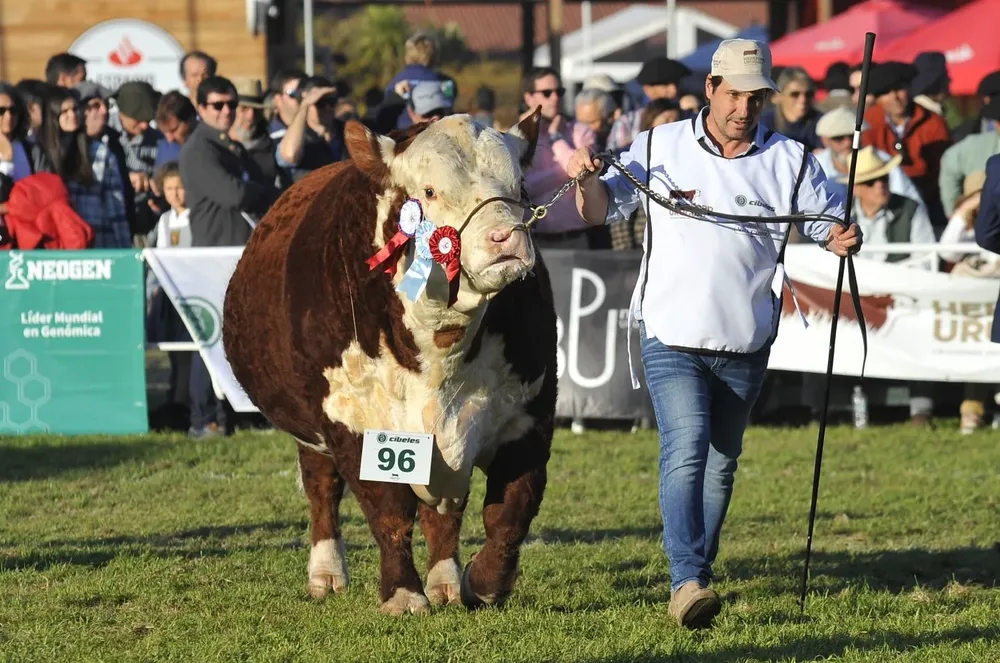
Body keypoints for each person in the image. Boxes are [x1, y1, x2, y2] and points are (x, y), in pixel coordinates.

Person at [565, 38, 861, 629]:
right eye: (734, 95)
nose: (743, 109)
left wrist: (842, 237)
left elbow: (829, 222)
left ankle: (698, 569)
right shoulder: (659, 144)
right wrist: (585, 179)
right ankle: (687, 581)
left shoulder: (791, 159)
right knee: (687, 447)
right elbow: (601, 210)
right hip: (670, 332)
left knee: (722, 463)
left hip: (745, 338)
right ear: (710, 89)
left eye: (756, 98)